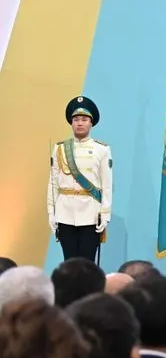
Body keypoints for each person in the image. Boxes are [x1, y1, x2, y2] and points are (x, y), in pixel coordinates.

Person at [46, 96, 113, 263]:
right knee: (69, 261)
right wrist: (51, 212)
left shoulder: (102, 149)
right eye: (76, 119)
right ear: (71, 122)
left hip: (90, 214)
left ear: (91, 123)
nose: (80, 123)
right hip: (65, 212)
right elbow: (53, 182)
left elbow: (107, 184)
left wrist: (105, 213)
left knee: (87, 262)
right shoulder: (60, 148)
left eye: (84, 119)